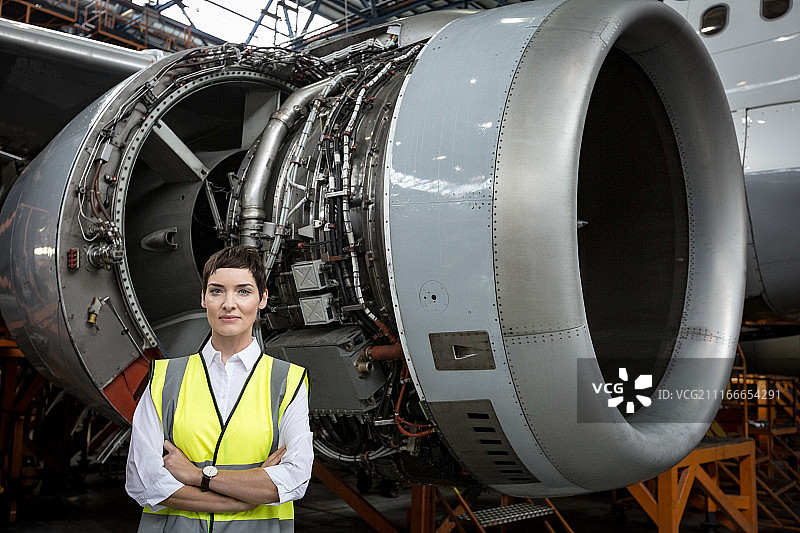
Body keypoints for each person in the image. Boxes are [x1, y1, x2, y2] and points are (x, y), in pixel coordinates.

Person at [126, 245, 313, 532]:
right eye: (216, 291)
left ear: (262, 299)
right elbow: (145, 482)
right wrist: (240, 501)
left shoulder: (288, 381)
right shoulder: (164, 379)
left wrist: (197, 475)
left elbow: (295, 478)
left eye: (243, 291)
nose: (229, 303)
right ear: (203, 298)